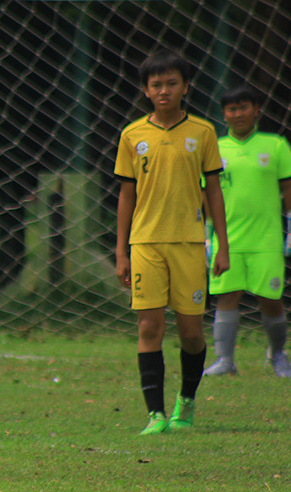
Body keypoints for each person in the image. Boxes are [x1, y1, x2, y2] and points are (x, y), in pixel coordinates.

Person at [113, 50, 230, 435]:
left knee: (192, 333)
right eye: (156, 85)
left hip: (189, 244)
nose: (164, 91)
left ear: (185, 86)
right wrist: (122, 250)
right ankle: (155, 415)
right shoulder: (132, 135)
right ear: (146, 90)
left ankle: (187, 401)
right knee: (149, 328)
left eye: (171, 84)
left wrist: (221, 244)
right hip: (146, 243)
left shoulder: (203, 132)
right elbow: (126, 195)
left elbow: (213, 191)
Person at [202, 85, 291, 378]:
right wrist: (205, 232)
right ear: (224, 114)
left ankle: (277, 354)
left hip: (266, 238)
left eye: (243, 107)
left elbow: (288, 188)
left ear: (256, 110)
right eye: (231, 109)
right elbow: (205, 193)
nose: (238, 114)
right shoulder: (214, 147)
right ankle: (225, 361)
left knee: (271, 299)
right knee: (227, 295)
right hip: (227, 239)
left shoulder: (276, 145)